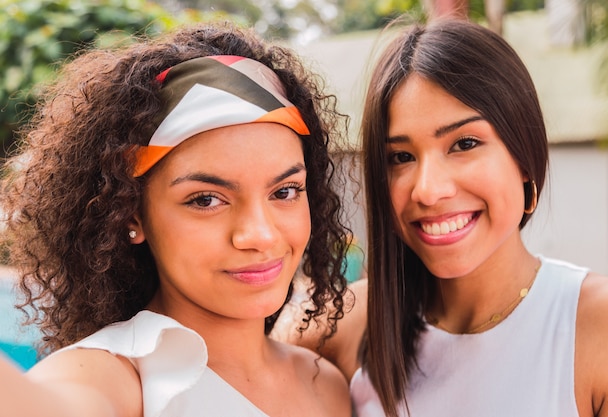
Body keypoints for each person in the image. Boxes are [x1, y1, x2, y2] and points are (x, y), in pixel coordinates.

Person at [0, 21, 352, 417]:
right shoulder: (114, 376)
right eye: (206, 199)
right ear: (131, 213)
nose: (260, 234)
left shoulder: (328, 384)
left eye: (285, 192)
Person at [283, 18, 608, 417]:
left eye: (464, 143)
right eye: (401, 157)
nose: (428, 189)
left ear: (525, 159)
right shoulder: (339, 323)